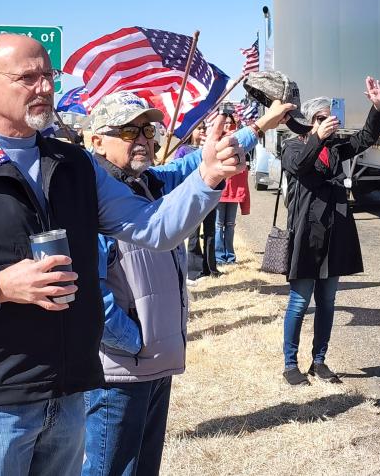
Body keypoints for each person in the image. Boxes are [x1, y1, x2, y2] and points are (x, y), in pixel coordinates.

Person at [0, 33, 248, 476]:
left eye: (48, 75)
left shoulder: (76, 165)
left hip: (68, 394)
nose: (44, 87)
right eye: (27, 77)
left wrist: (208, 175)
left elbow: (153, 228)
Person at [86, 95, 294, 476]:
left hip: (154, 365)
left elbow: (195, 163)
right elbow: (91, 297)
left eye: (148, 130)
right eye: (129, 130)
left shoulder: (150, 182)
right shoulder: (93, 200)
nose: (144, 139)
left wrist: (260, 125)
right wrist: (135, 342)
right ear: (97, 140)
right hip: (117, 375)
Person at [280, 76, 380, 386]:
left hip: (334, 232)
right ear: (308, 122)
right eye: (320, 117)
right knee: (300, 302)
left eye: (329, 116)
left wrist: (377, 107)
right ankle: (290, 364)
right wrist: (316, 137)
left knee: (327, 302)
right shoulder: (292, 146)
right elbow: (300, 167)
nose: (327, 122)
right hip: (306, 233)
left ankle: (319, 361)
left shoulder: (337, 147)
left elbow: (366, 137)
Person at [175, 121, 220, 282]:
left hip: (209, 194)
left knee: (210, 232)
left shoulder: (205, 149)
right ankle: (194, 271)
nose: (202, 131)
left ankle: (210, 268)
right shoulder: (182, 151)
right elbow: (178, 172)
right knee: (193, 233)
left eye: (203, 128)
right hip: (191, 196)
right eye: (199, 128)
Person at [215, 108, 250, 264]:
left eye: (231, 123)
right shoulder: (217, 141)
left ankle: (230, 255)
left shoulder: (239, 141)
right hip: (220, 189)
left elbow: (244, 166)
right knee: (218, 224)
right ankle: (218, 256)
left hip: (235, 190)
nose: (228, 125)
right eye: (226, 123)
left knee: (230, 224)